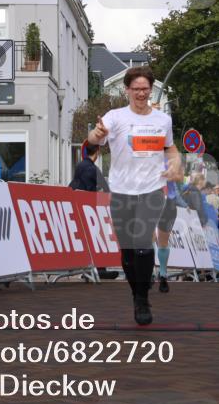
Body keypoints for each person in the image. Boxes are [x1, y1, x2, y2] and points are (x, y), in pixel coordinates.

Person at [88, 66, 182, 325]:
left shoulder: (163, 120)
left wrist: (175, 162)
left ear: (150, 90)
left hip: (151, 190)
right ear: (127, 90)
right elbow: (93, 139)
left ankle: (142, 299)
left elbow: (170, 147)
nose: (141, 93)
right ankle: (136, 292)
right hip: (120, 190)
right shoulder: (115, 117)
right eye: (136, 89)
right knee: (128, 250)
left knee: (142, 242)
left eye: (145, 89)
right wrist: (96, 135)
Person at [69, 142, 117, 280]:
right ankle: (100, 268)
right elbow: (106, 188)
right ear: (97, 153)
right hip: (90, 209)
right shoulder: (93, 169)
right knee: (98, 237)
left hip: (77, 207)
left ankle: (87, 269)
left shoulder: (79, 166)